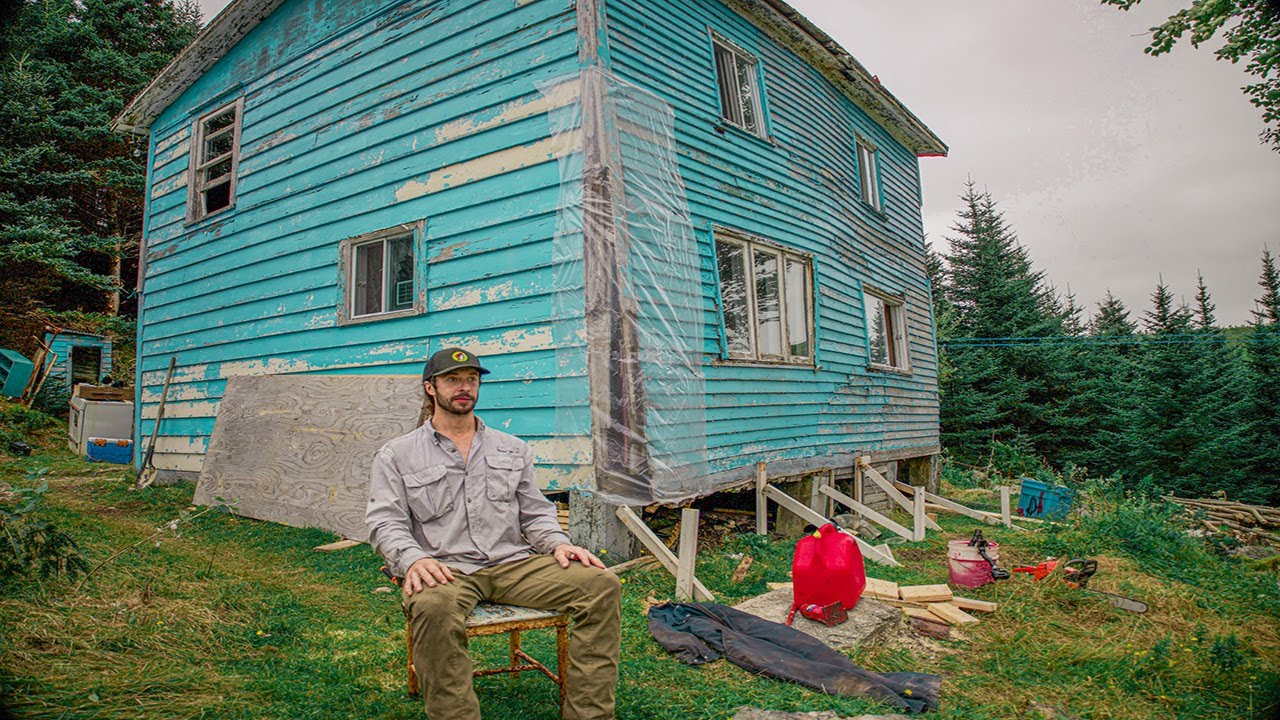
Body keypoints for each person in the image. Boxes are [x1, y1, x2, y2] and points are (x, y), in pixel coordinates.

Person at [366, 347, 621, 720]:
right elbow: (384, 522)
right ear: (430, 388)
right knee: (433, 606)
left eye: (471, 379)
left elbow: (535, 513)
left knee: (601, 585)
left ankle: (590, 715)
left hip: (512, 564)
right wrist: (414, 559)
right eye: (452, 379)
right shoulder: (397, 455)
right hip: (446, 569)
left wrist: (559, 543)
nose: (464, 387)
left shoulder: (512, 448)